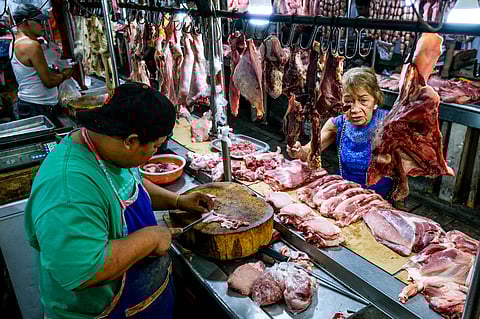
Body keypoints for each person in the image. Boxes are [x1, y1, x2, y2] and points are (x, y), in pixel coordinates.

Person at [24, 83, 214, 319]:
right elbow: (84, 270)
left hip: (148, 304)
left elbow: (132, 186)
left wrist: (178, 201)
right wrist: (150, 238)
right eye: (154, 146)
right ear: (131, 141)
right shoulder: (69, 189)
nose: (154, 153)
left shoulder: (107, 148)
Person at [288, 67, 394, 200]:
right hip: (344, 194)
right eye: (349, 101)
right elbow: (309, 152)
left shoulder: (390, 123)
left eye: (363, 101)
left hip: (378, 197)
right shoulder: (337, 124)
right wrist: (298, 151)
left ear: (375, 100)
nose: (355, 109)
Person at [10, 4, 73, 126]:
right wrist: (65, 74)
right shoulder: (31, 45)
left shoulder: (15, 41)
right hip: (37, 106)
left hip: (30, 103)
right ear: (25, 22)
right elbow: (49, 82)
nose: (43, 25)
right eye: (38, 21)